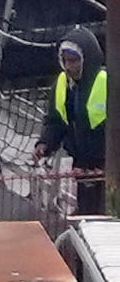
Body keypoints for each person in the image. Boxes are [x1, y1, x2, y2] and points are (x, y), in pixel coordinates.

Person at [33, 26, 106, 215]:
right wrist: (45, 144)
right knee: (88, 213)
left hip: (107, 167)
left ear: (86, 60)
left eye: (73, 61)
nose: (68, 66)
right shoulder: (63, 84)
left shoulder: (107, 82)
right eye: (65, 61)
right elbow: (56, 121)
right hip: (82, 165)